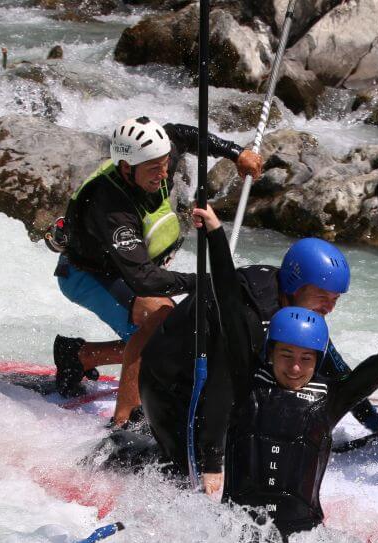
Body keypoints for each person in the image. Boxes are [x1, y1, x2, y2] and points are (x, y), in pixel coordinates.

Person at [192, 205, 378, 543]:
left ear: (318, 361)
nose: (295, 367)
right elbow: (228, 303)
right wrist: (214, 233)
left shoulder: (329, 400)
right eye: (286, 356)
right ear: (270, 352)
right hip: (235, 538)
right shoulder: (246, 384)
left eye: (305, 359)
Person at [121, 233, 378, 497]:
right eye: (323, 297)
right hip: (172, 384)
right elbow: (222, 384)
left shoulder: (297, 308)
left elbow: (335, 366)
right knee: (189, 482)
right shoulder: (252, 313)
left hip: (212, 381)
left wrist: (373, 422)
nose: (329, 308)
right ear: (295, 286)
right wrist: (213, 462)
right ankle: (120, 451)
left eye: (335, 300)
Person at [50, 116, 263, 428]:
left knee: (175, 331)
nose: (164, 174)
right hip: (86, 274)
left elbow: (181, 135)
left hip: (124, 267)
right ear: (126, 168)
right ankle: (124, 421)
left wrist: (234, 152)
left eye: (165, 164)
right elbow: (144, 280)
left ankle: (81, 356)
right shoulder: (111, 208)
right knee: (157, 317)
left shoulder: (153, 160)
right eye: (154, 169)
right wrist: (205, 281)